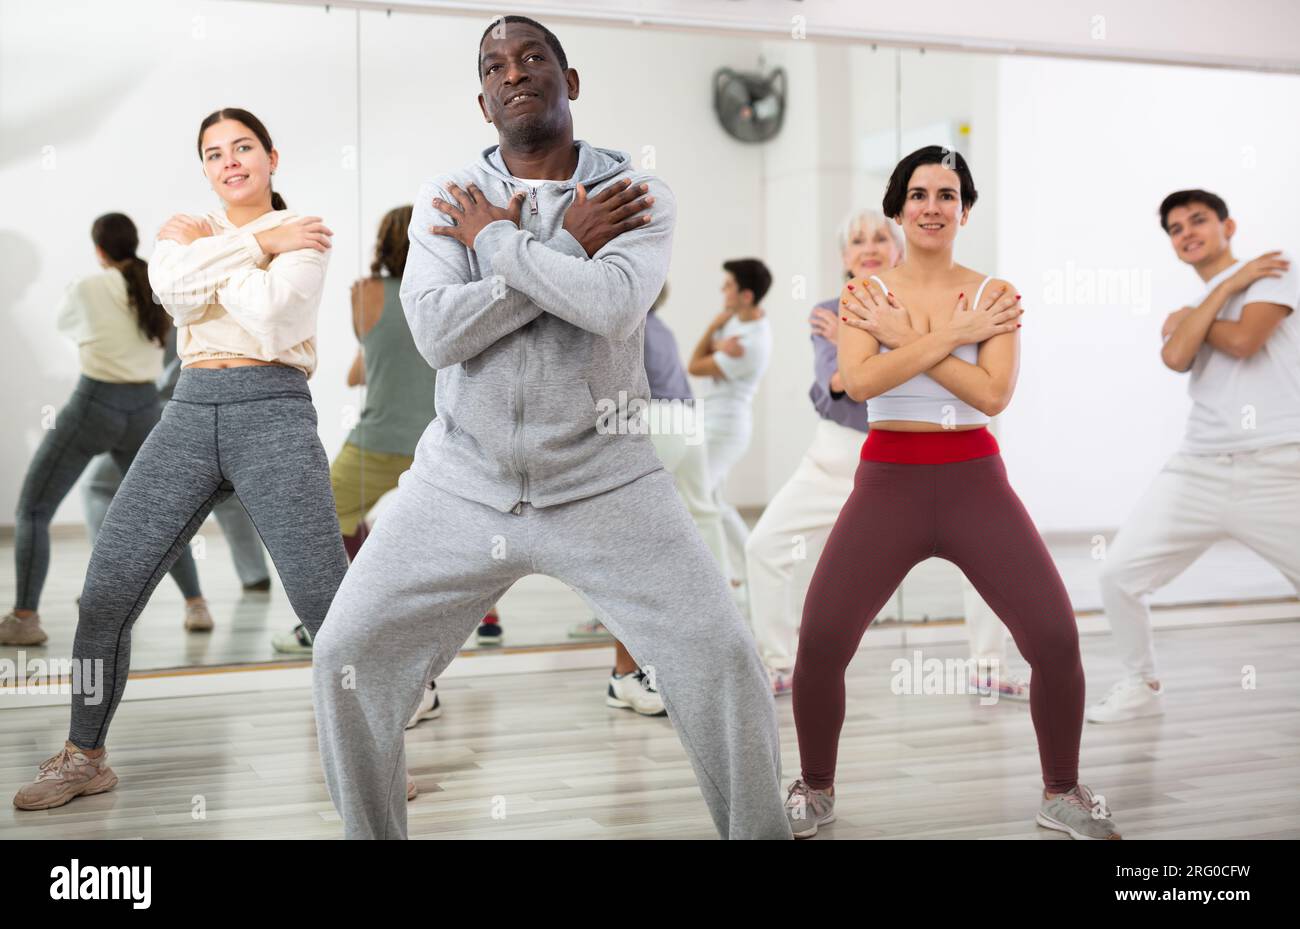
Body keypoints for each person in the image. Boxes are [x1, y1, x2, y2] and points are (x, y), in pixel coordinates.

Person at [312, 14, 790, 840]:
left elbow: (610, 307)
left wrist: (495, 242)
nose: (514, 70)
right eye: (495, 64)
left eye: (534, 55)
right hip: (460, 481)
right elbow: (435, 334)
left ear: (572, 82)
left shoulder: (632, 192)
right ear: (482, 99)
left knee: (724, 660)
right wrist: (561, 249)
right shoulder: (447, 197)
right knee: (343, 656)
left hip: (607, 479)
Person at [12, 108, 349, 812]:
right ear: (204, 168)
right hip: (189, 411)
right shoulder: (184, 235)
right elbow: (171, 295)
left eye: (244, 147)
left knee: (329, 604)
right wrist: (256, 246)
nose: (229, 161)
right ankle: (84, 756)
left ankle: (370, 754)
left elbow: (269, 317)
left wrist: (225, 256)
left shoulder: (306, 234)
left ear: (271, 157)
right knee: (104, 593)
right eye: (214, 152)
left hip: (274, 412)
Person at [785, 145, 1121, 840]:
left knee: (1055, 638)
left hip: (975, 480)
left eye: (946, 194)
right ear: (898, 207)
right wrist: (955, 336)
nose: (931, 206)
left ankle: (1062, 791)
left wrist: (908, 338)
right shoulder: (862, 294)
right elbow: (862, 382)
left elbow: (993, 394)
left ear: (965, 209)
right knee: (820, 640)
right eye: (918, 193)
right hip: (886, 482)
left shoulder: (993, 293)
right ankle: (815, 787)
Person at [745, 208, 1029, 700]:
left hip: (913, 458)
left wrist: (874, 347)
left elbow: (965, 388)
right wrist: (882, 348)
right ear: (845, 258)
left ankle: (988, 665)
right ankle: (778, 663)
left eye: (880, 237)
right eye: (858, 241)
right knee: (763, 546)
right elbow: (843, 385)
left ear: (899, 250)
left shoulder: (931, 303)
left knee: (986, 558)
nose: (870, 246)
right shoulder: (831, 311)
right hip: (834, 457)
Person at [1087, 189, 1299, 723]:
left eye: (1198, 220)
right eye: (1176, 229)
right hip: (1199, 466)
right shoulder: (1227, 289)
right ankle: (1142, 682)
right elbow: (1177, 356)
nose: (1187, 233)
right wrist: (1224, 289)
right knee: (1118, 574)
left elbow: (1247, 340)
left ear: (1229, 226)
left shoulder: (1273, 272)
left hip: (1278, 463)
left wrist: (1195, 316)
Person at [0, 213, 198, 645]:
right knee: (164, 516)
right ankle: (195, 605)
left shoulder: (88, 288)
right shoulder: (155, 288)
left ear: (99, 250)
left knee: (33, 510)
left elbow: (67, 328)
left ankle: (25, 619)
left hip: (94, 404)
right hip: (144, 409)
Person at [80, 326, 274, 622]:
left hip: (162, 408)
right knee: (226, 490)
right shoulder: (218, 295)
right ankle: (254, 573)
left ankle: (106, 584)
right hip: (224, 397)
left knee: (99, 486)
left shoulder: (150, 301)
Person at [686, 259, 773, 603]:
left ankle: (725, 581)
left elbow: (694, 364)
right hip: (712, 420)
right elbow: (703, 357)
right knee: (715, 502)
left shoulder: (751, 343)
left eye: (728, 286)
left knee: (697, 499)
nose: (722, 291)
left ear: (746, 295)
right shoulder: (737, 321)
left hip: (727, 428)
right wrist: (716, 335)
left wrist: (713, 329)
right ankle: (746, 572)